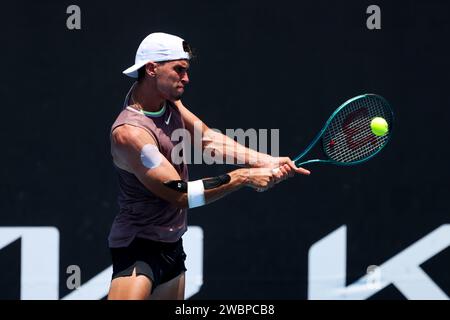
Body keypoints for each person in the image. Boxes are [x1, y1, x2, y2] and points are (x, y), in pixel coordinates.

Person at [107, 32, 311, 300]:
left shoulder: (169, 102)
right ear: (152, 68)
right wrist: (244, 177)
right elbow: (180, 194)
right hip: (138, 248)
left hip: (172, 246)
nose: (187, 78)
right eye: (179, 70)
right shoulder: (130, 133)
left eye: (186, 70)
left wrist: (268, 160)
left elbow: (207, 140)